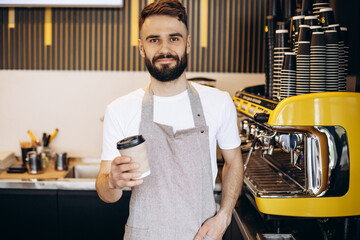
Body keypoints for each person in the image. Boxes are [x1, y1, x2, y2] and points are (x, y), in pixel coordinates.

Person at [95, 0, 243, 239]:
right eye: (154, 39)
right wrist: (112, 181)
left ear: (188, 43)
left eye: (174, 38)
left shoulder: (218, 102)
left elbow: (234, 161)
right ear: (141, 47)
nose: (164, 49)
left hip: (202, 235)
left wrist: (223, 217)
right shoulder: (120, 109)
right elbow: (106, 193)